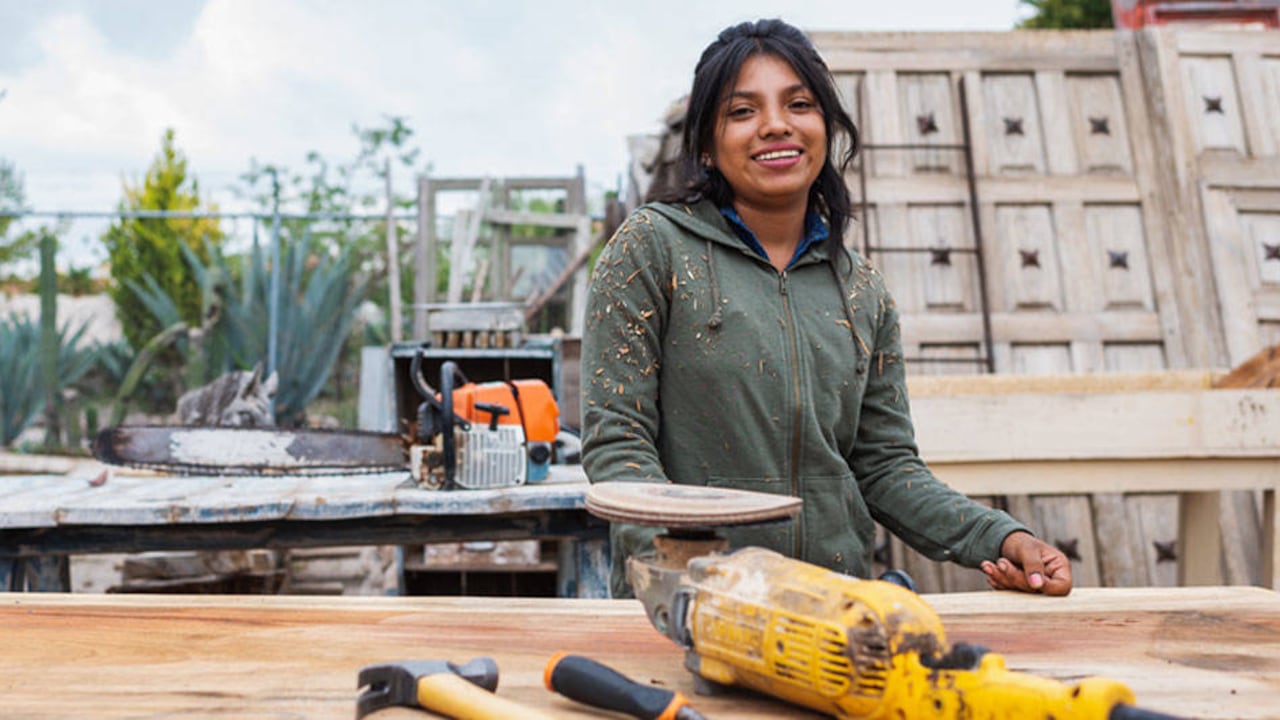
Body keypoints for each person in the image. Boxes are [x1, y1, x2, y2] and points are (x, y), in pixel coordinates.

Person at [581, 18, 1072, 599]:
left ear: (826, 126)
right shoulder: (649, 249)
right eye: (742, 112)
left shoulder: (863, 292)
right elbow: (619, 443)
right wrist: (679, 573)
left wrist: (1001, 538)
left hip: (831, 612)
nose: (775, 125)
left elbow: (885, 468)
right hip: (691, 607)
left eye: (799, 104)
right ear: (707, 147)